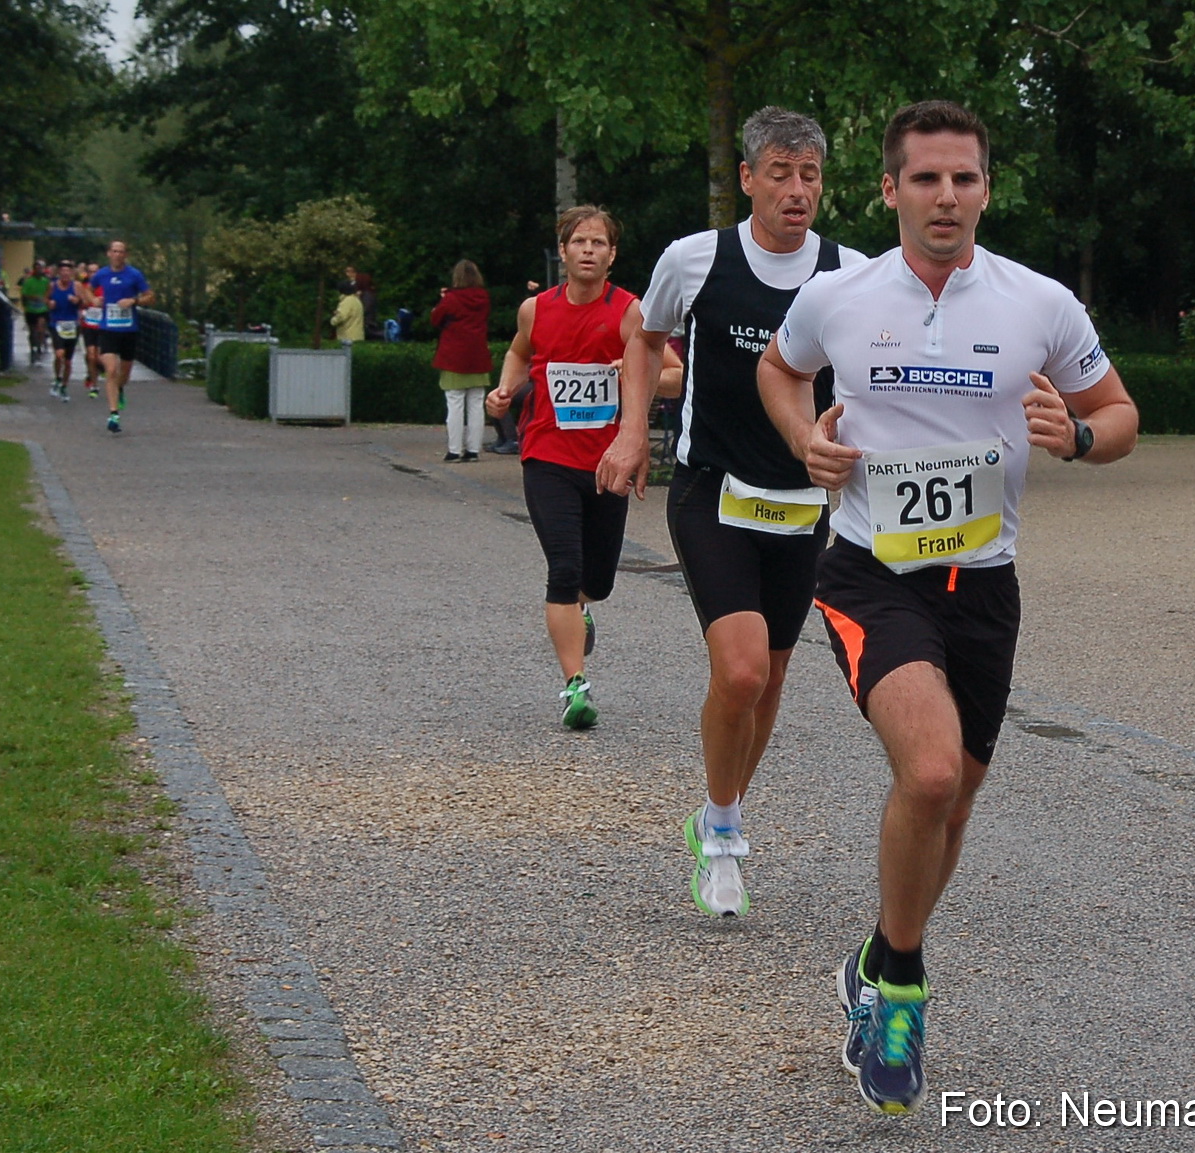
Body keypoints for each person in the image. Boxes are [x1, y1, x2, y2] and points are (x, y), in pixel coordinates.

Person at [756, 99, 1139, 1115]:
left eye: (964, 178)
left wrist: (1082, 437)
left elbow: (1120, 412)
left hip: (986, 588)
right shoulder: (839, 296)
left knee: (952, 801)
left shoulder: (1038, 303)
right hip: (872, 576)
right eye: (925, 178)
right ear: (889, 189)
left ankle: (878, 954)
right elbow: (778, 370)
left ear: (985, 187)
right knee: (926, 772)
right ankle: (906, 992)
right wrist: (806, 439)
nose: (946, 196)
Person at [602, 106, 866, 919]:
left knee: (775, 674)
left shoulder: (846, 271)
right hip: (712, 488)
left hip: (798, 500)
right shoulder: (695, 259)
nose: (797, 191)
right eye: (780, 174)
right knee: (742, 667)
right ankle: (722, 839)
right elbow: (643, 338)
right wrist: (632, 430)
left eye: (810, 175)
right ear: (748, 178)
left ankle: (719, 808)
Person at [485, 206, 643, 730]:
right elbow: (517, 351)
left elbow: (674, 374)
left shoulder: (629, 311)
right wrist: (506, 388)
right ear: (564, 250)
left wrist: (633, 370)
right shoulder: (536, 309)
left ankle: (583, 608)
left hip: (606, 462)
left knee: (597, 580)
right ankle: (576, 684)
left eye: (599, 243)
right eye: (580, 242)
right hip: (546, 455)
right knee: (565, 569)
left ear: (612, 254)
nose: (589, 250)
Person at [77, 240, 152, 434]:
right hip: (108, 329)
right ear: (109, 253)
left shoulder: (134, 275)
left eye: (121, 251)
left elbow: (150, 296)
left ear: (125, 255)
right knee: (111, 370)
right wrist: (93, 299)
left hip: (129, 329)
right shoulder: (102, 274)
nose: (118, 254)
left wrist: (133, 301)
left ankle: (119, 390)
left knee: (124, 375)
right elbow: (87, 289)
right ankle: (113, 415)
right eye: (114, 251)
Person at [431, 260, 494, 462]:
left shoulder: (451, 298)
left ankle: (454, 450)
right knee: (476, 404)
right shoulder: (483, 297)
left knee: (455, 404)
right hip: (478, 355)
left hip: (453, 356)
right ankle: (473, 450)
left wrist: (442, 298)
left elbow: (435, 319)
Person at [46, 259, 82, 401]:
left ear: (72, 273)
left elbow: (84, 301)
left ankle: (64, 386)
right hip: (56, 323)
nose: (65, 274)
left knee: (68, 361)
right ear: (59, 273)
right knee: (59, 354)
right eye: (63, 271)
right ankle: (57, 378)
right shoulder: (52, 286)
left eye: (68, 271)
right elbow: (45, 300)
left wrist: (76, 300)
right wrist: (50, 303)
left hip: (72, 325)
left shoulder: (77, 286)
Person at [77, 261, 104, 397]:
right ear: (87, 273)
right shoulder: (84, 287)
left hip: (102, 326)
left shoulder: (104, 287)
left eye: (96, 271)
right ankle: (94, 385)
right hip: (88, 325)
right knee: (91, 355)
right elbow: (82, 303)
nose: (93, 274)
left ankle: (94, 373)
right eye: (91, 271)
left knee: (99, 357)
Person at [19, 260, 50, 362]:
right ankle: (33, 346)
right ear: (34, 269)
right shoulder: (28, 281)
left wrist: (46, 300)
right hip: (31, 309)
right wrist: (32, 298)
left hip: (42, 309)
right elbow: (24, 294)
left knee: (41, 328)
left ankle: (40, 345)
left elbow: (49, 292)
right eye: (37, 268)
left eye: (41, 268)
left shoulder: (46, 281)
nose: (39, 270)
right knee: (32, 330)